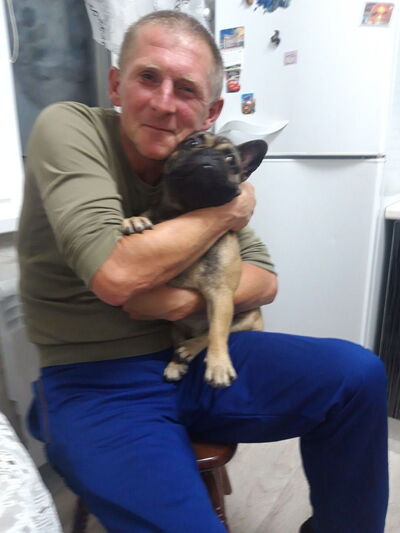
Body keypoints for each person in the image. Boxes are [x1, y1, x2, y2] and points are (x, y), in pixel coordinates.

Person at [17, 10, 388, 533]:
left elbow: (265, 279)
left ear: (210, 112)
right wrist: (225, 215)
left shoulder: (200, 175)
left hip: (198, 358)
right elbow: (117, 276)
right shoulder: (70, 128)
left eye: (186, 89)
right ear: (116, 83)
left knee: (358, 375)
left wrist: (179, 302)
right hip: (95, 380)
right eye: (148, 77)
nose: (164, 102)